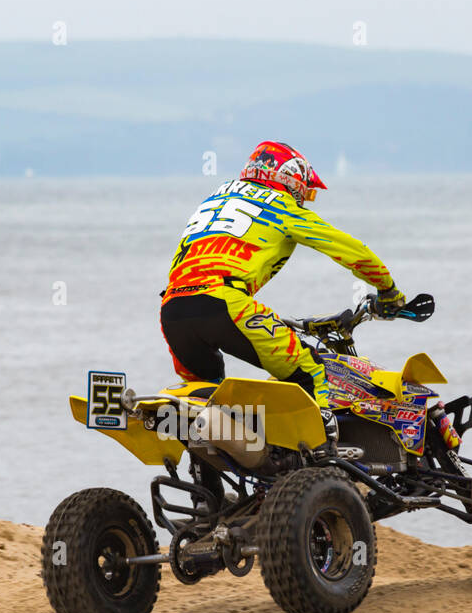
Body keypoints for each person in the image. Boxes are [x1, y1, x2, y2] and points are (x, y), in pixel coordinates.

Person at [160, 140, 407, 412]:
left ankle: (222, 451)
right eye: (304, 191)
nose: (303, 198)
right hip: (224, 302)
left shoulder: (215, 200)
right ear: (289, 179)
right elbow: (351, 251)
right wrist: (388, 290)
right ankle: (322, 449)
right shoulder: (280, 205)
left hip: (172, 310)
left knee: (209, 402)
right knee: (312, 371)